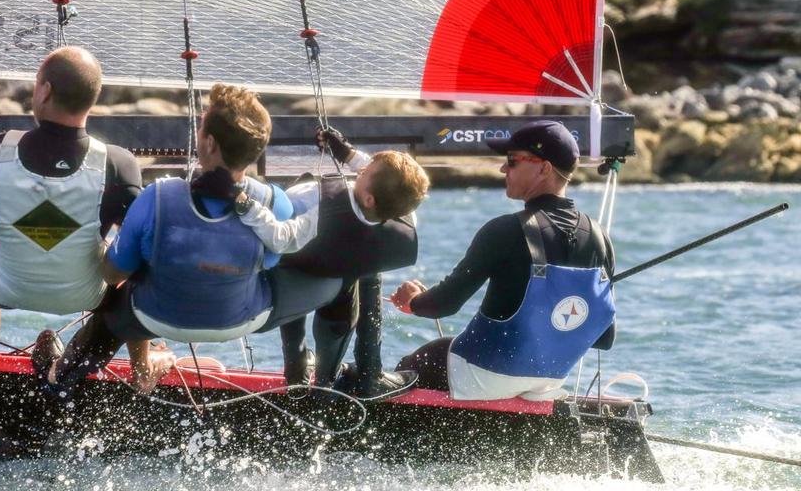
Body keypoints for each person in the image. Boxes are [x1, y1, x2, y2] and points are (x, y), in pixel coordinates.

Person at [35, 83, 343, 396]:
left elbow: (112, 273)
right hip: (243, 319)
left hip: (155, 317)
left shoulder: (156, 198)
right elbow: (274, 260)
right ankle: (322, 385)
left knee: (119, 289)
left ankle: (60, 376)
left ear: (208, 143)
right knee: (342, 278)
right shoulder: (276, 203)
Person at [0, 46, 143, 385]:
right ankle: (142, 367)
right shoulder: (118, 162)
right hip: (88, 294)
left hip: (6, 287)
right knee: (130, 274)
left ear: (46, 90)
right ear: (92, 100)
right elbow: (139, 240)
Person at [390, 120, 615, 401]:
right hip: (550, 382)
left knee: (426, 357)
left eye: (512, 161)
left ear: (544, 168)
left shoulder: (504, 230)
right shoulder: (599, 236)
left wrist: (413, 302)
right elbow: (604, 338)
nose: (502, 168)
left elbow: (443, 304)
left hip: (486, 376)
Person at [229, 127, 429, 398]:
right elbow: (388, 185)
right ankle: (343, 379)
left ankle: (296, 372)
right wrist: (347, 154)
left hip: (297, 273)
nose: (360, 170)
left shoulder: (313, 198)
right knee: (366, 270)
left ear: (370, 196)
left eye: (364, 172)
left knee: (295, 265)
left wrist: (244, 203)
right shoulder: (402, 217)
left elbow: (279, 237)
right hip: (342, 281)